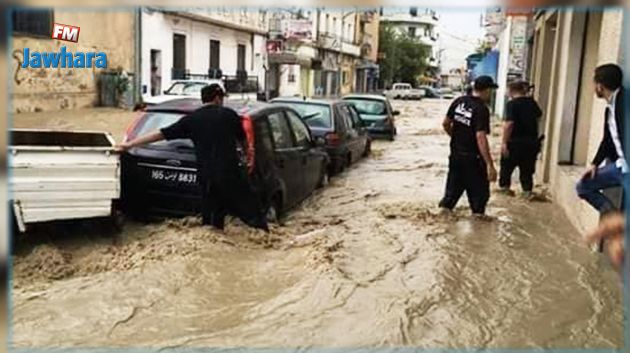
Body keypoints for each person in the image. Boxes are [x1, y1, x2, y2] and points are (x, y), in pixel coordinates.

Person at [117, 84, 269, 232]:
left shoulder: (192, 119)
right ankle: (263, 237)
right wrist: (247, 157)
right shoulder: (229, 115)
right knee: (251, 213)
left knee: (211, 222)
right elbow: (243, 140)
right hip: (230, 175)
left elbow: (160, 134)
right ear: (217, 99)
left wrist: (129, 144)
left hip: (206, 177)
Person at [439, 75, 498, 216]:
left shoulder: (459, 102)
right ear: (487, 90)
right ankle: (478, 233)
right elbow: (480, 136)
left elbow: (446, 124)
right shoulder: (481, 109)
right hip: (474, 161)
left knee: (449, 198)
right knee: (479, 202)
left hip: (456, 157)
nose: (491, 94)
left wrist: (457, 138)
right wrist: (489, 164)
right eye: (491, 91)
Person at [576, 64, 626, 215]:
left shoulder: (625, 102)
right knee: (583, 186)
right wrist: (594, 164)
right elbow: (608, 140)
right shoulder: (610, 108)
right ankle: (613, 219)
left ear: (600, 85)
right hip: (619, 166)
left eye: (594, 84)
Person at [498, 80, 543, 198]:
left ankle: (505, 193)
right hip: (531, 143)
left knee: (506, 171)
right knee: (527, 172)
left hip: (514, 143)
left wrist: (504, 142)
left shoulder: (511, 104)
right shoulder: (532, 103)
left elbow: (509, 124)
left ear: (511, 90)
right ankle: (527, 192)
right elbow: (539, 118)